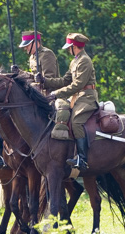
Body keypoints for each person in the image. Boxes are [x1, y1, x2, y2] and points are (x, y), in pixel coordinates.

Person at [37, 33, 97, 171]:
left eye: (69, 47)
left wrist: (55, 94)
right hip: (77, 97)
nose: (68, 50)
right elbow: (64, 81)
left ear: (74, 47)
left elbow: (77, 85)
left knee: (76, 122)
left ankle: (82, 159)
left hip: (87, 97)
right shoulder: (75, 61)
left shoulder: (85, 61)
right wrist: (45, 81)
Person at [19, 30, 59, 94]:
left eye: (27, 45)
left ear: (36, 43)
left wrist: (41, 80)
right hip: (37, 92)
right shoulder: (32, 57)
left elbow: (50, 78)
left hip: (49, 93)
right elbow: (34, 76)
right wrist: (21, 73)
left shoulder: (46, 54)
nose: (25, 48)